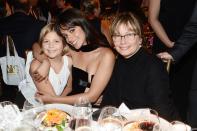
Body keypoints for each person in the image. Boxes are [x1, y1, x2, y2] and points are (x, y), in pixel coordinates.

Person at [101, 12, 179, 121]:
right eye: (117, 35)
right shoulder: (116, 64)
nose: (123, 41)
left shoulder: (154, 66)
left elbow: (161, 113)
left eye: (129, 34)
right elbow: (108, 104)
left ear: (140, 39)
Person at [33, 8, 115, 106]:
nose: (70, 39)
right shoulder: (72, 50)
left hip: (90, 111)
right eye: (65, 35)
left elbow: (92, 97)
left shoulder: (106, 55)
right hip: (70, 108)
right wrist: (45, 61)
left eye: (72, 30)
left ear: (83, 24)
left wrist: (54, 100)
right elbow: (36, 46)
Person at [148, 0, 197, 121]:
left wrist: (178, 49)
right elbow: (152, 19)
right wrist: (171, 45)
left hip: (188, 49)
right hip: (168, 45)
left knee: (184, 92)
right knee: (161, 90)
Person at [0, 0, 45, 108]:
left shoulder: (2, 23)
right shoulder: (38, 25)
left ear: (13, 9)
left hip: (5, 70)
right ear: (29, 9)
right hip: (29, 73)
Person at [26, 23, 72, 105]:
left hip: (55, 103)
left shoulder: (68, 61)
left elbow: (69, 88)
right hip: (33, 106)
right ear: (41, 44)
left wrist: (60, 100)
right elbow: (49, 101)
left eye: (56, 41)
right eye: (46, 41)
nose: (51, 45)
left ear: (64, 44)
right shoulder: (37, 66)